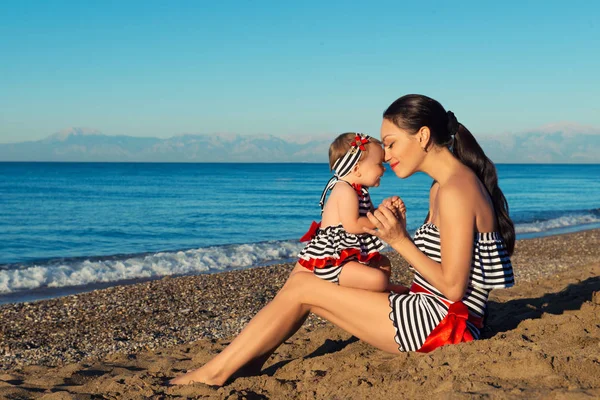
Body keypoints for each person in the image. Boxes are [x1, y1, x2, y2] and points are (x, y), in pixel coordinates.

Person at [170, 94, 515, 386]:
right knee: (306, 280)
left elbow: (454, 289)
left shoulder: (455, 189)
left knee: (305, 287)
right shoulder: (445, 186)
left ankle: (217, 371)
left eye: (392, 144)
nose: (388, 155)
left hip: (442, 327)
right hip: (434, 311)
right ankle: (242, 362)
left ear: (422, 136)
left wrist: (399, 240)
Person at [297, 132, 405, 292]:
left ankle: (376, 290)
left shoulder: (360, 191)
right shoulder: (345, 190)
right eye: (379, 164)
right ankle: (381, 288)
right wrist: (378, 218)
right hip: (333, 261)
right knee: (378, 278)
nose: (384, 169)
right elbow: (353, 225)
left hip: (349, 255)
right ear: (356, 169)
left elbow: (368, 215)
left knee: (384, 263)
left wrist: (385, 210)